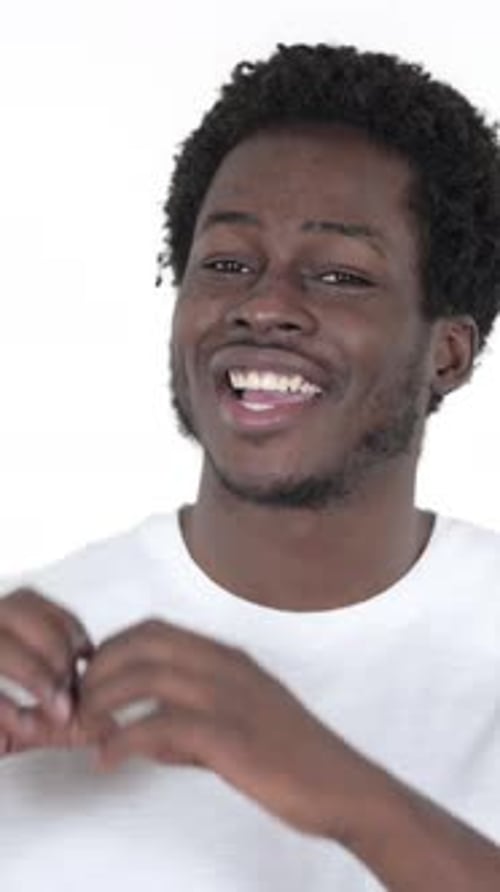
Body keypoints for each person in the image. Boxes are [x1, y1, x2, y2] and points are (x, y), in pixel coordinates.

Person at [0, 42, 500, 891]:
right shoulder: (28, 667)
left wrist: (354, 801)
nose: (264, 304)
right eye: (227, 264)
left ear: (447, 354)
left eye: (340, 274)